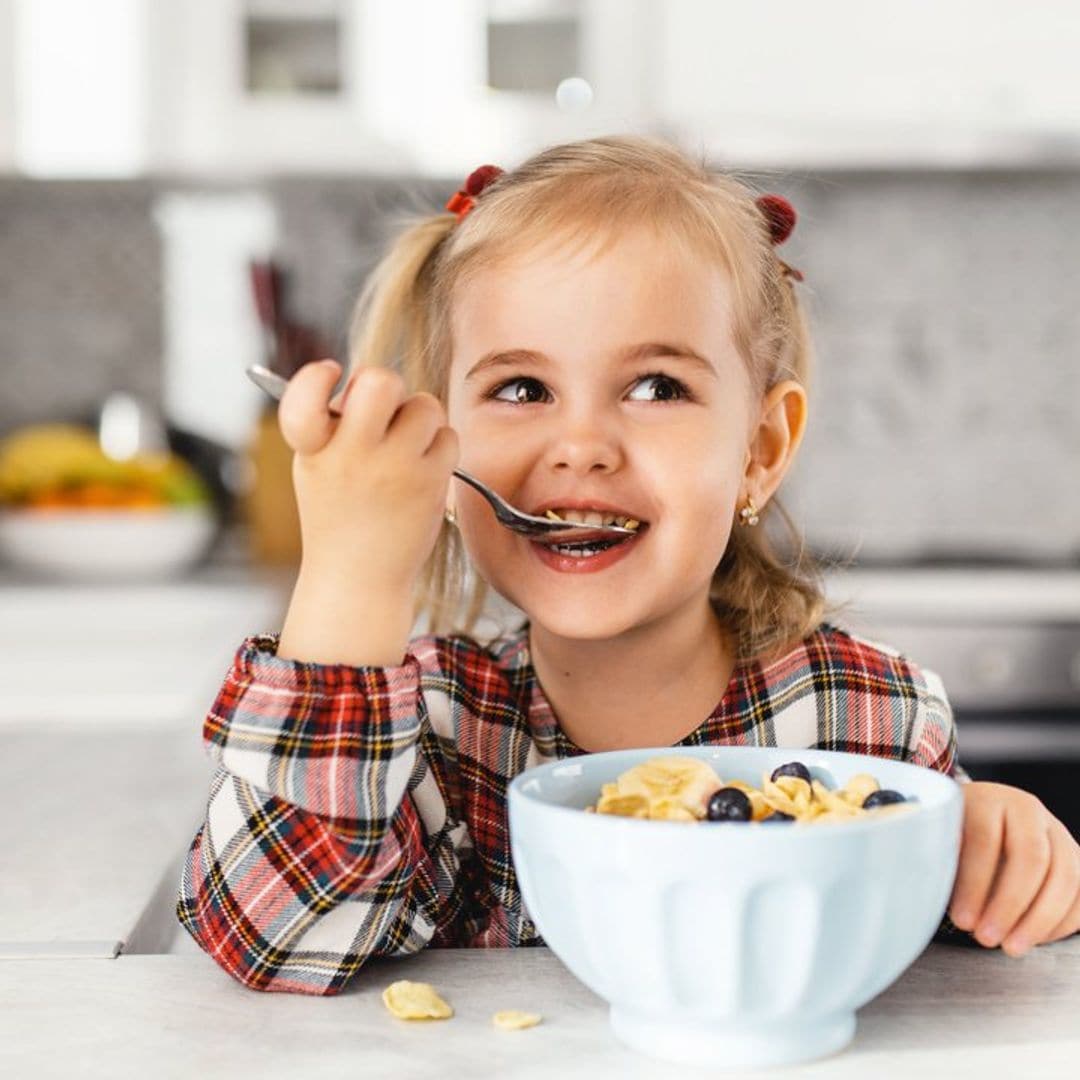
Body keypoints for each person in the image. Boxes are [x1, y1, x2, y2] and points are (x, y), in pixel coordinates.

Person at [177, 135, 1079, 994]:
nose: (582, 447)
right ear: (441, 451)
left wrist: (1008, 858)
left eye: (656, 388)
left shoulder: (868, 720)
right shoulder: (429, 736)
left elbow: (958, 923)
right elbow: (273, 936)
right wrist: (350, 579)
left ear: (761, 448)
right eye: (521, 389)